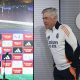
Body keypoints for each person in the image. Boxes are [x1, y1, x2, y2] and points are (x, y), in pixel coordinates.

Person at [42, 7, 80, 80]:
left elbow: (77, 48)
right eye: (43, 18)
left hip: (69, 69)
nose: (44, 21)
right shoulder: (47, 31)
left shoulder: (64, 28)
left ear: (54, 18)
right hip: (57, 69)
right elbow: (55, 49)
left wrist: (74, 67)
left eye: (46, 18)